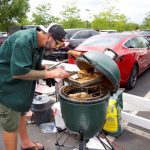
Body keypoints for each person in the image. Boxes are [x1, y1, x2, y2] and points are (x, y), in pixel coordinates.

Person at [0, 23, 69, 150]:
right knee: (10, 126)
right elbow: (18, 72)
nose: (56, 48)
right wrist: (49, 73)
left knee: (21, 113)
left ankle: (26, 144)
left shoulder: (40, 43)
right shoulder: (23, 40)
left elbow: (32, 63)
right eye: (57, 44)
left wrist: (43, 69)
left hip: (19, 87)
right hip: (6, 86)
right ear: (49, 37)